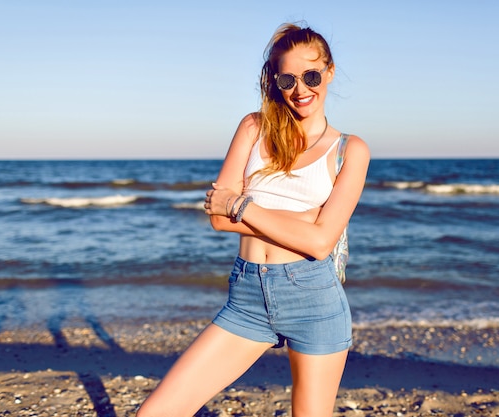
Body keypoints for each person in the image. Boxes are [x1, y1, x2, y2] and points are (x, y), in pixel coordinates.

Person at [137, 22, 369, 417]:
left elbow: (320, 243)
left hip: (314, 297)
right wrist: (305, 219)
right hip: (246, 297)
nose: (301, 89)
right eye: (288, 79)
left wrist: (243, 206)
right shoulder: (253, 128)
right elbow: (216, 216)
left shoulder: (351, 151)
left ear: (329, 72)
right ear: (275, 81)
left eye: (311, 75)